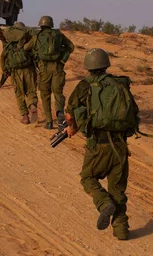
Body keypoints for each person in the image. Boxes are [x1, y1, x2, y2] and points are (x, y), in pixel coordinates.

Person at [62, 48, 139, 240]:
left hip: (98, 144)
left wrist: (72, 127)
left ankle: (104, 203)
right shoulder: (121, 85)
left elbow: (70, 113)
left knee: (87, 178)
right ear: (106, 64)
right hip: (121, 146)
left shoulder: (84, 85)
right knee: (118, 190)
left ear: (88, 65)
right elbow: (133, 113)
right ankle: (121, 230)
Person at [20, 15, 74, 130]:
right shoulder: (58, 35)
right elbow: (71, 46)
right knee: (58, 93)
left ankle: (49, 122)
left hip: (44, 69)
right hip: (57, 67)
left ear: (41, 24)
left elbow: (25, 48)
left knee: (45, 95)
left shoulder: (37, 36)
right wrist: (62, 60)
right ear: (51, 24)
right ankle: (59, 114)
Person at [0, 25, 38, 124]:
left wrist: (5, 71)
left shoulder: (8, 34)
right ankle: (32, 105)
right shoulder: (8, 39)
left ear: (0, 30)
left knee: (19, 93)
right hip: (28, 67)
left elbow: (3, 58)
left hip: (16, 71)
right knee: (31, 89)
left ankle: (25, 116)